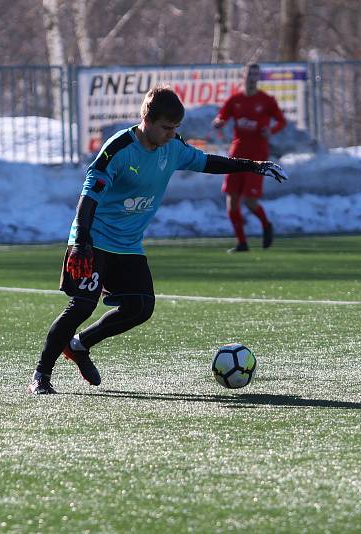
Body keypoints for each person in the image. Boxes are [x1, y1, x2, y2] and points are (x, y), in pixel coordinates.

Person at [28, 86, 288, 394]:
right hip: (93, 237)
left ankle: (80, 344)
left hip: (127, 243)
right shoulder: (119, 149)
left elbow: (207, 161)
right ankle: (41, 375)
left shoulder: (173, 148)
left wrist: (254, 166)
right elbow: (88, 196)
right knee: (83, 305)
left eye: (176, 128)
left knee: (141, 306)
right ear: (146, 120)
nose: (171, 133)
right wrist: (82, 241)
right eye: (166, 127)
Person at [213, 63, 288, 253]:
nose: (252, 78)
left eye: (256, 74)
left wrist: (270, 131)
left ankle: (266, 225)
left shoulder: (266, 100)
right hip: (237, 153)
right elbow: (222, 116)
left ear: (259, 77)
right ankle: (242, 242)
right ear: (243, 76)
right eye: (249, 74)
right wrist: (219, 122)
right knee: (231, 200)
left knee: (249, 201)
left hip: (257, 156)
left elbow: (281, 121)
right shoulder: (235, 99)